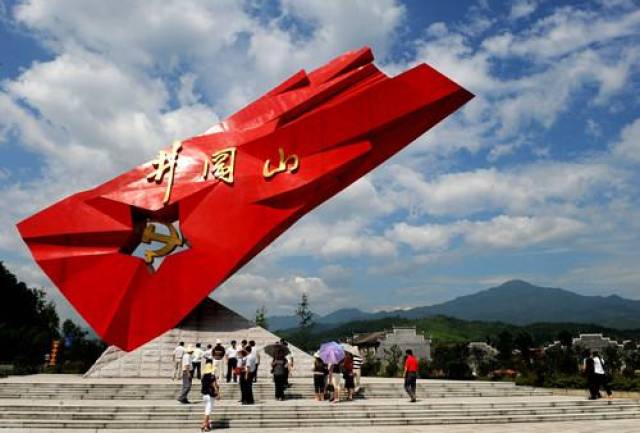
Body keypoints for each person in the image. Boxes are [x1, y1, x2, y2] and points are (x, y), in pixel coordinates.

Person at [200, 359, 219, 432]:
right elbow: (214, 385)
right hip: (210, 395)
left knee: (207, 410)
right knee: (208, 411)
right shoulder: (212, 376)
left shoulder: (203, 376)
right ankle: (204, 425)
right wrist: (217, 393)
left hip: (204, 395)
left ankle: (207, 424)